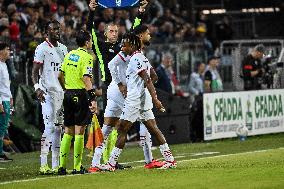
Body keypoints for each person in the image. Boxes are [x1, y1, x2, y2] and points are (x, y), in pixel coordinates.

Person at [88, 0, 152, 169]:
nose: (114, 33)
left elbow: (134, 32)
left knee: (110, 127)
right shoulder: (100, 47)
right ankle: (148, 160)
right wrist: (91, 13)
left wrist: (140, 12)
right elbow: (91, 31)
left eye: (116, 31)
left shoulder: (124, 46)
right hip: (116, 87)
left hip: (119, 88)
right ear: (105, 33)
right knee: (145, 119)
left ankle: (99, 162)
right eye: (111, 31)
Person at [88, 33, 164, 173]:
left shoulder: (135, 53)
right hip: (122, 91)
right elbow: (111, 64)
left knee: (107, 127)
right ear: (140, 37)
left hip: (113, 91)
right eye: (147, 33)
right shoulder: (129, 53)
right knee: (145, 121)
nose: (149, 36)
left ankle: (95, 163)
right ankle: (148, 160)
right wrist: (120, 84)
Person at [57, 30, 97, 175]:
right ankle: (77, 167)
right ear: (87, 43)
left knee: (68, 131)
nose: (91, 43)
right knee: (80, 131)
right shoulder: (87, 57)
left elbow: (59, 75)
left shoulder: (69, 55)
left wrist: (66, 89)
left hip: (67, 94)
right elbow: (87, 79)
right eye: (90, 40)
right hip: (80, 95)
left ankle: (61, 167)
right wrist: (92, 98)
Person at [32, 20, 68, 174]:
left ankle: (55, 164)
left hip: (61, 93)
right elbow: (34, 71)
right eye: (54, 29)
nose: (57, 31)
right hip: (47, 93)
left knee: (59, 128)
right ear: (47, 32)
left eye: (58, 29)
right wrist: (37, 87)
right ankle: (43, 163)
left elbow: (64, 72)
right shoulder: (41, 48)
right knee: (50, 127)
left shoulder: (64, 48)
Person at [0, 42, 13, 162]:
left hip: (6, 99)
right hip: (1, 101)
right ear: (1, 51)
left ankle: (1, 151)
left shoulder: (4, 64)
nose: (9, 52)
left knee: (3, 127)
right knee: (1, 127)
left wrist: (11, 98)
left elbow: (5, 85)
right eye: (7, 49)